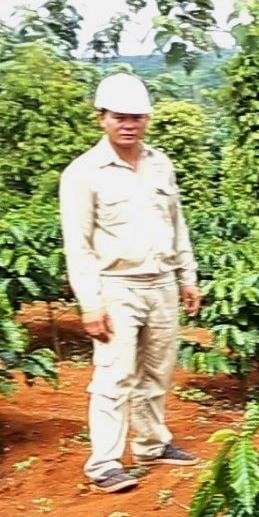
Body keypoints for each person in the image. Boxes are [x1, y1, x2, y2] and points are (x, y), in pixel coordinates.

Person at [59, 73, 201, 494]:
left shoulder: (161, 164)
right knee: (114, 375)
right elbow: (78, 244)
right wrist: (90, 303)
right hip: (115, 286)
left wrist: (187, 276)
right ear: (101, 118)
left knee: (157, 370)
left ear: (147, 119)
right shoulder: (83, 173)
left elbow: (178, 226)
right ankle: (104, 463)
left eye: (137, 117)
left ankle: (152, 444)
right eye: (120, 117)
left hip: (161, 284)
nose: (129, 125)